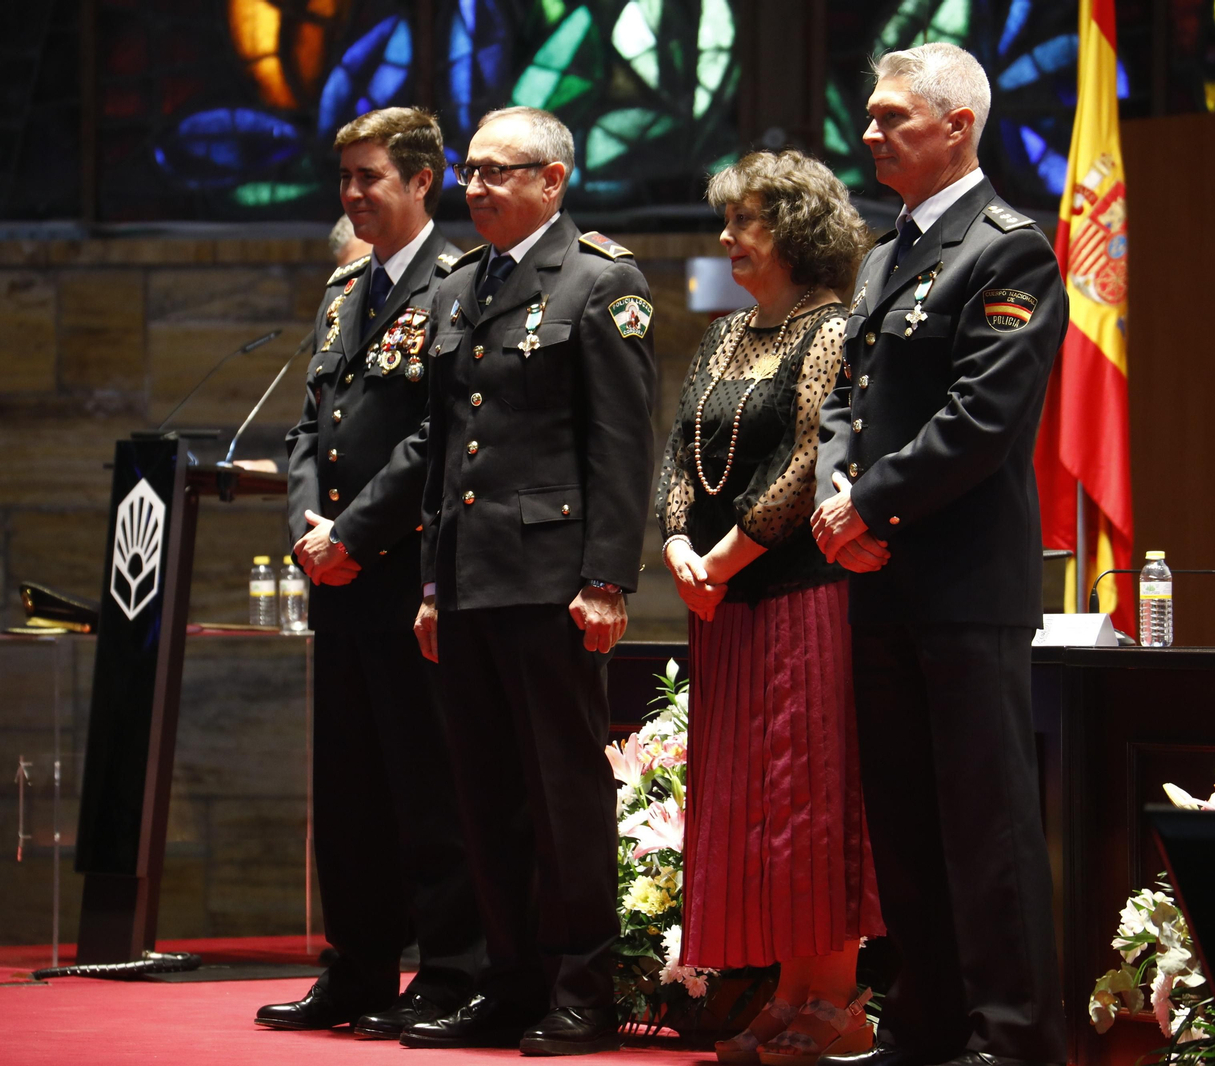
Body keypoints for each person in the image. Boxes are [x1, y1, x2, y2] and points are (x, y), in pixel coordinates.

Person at [810, 43, 1068, 1066]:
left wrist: (865, 506)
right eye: (870, 117)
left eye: (890, 117)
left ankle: (1009, 1034)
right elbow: (845, 400)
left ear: (956, 124)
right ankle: (923, 1020)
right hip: (879, 580)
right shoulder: (883, 254)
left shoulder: (1010, 248)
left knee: (984, 821)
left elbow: (980, 419)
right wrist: (838, 492)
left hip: (962, 581)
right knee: (907, 822)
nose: (868, 133)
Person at [401, 106, 657, 1056]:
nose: (476, 186)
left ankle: (581, 990)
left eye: (498, 172)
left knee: (563, 796)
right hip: (468, 581)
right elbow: (444, 457)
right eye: (470, 171)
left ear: (553, 182)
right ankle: (509, 984)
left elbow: (623, 445)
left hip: (552, 580)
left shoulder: (599, 280)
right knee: (485, 795)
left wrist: (605, 580)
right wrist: (431, 586)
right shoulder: (460, 283)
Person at [656, 149, 885, 1066]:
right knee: (758, 806)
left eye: (744, 222)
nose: (726, 239)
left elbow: (805, 466)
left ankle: (838, 1001)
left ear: (794, 230)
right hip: (726, 607)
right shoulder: (728, 334)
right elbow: (679, 453)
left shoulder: (829, 328)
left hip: (801, 598)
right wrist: (675, 545)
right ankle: (792, 995)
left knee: (810, 802)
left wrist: (722, 553)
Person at [259, 107, 483, 1040]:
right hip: (338, 574)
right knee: (347, 786)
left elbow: (442, 433)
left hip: (409, 573)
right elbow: (310, 425)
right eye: (344, 178)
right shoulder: (347, 290)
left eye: (370, 178)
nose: (352, 195)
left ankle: (446, 972)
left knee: (427, 782)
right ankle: (355, 967)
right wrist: (309, 523)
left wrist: (354, 531)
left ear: (423, 180)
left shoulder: (459, 282)